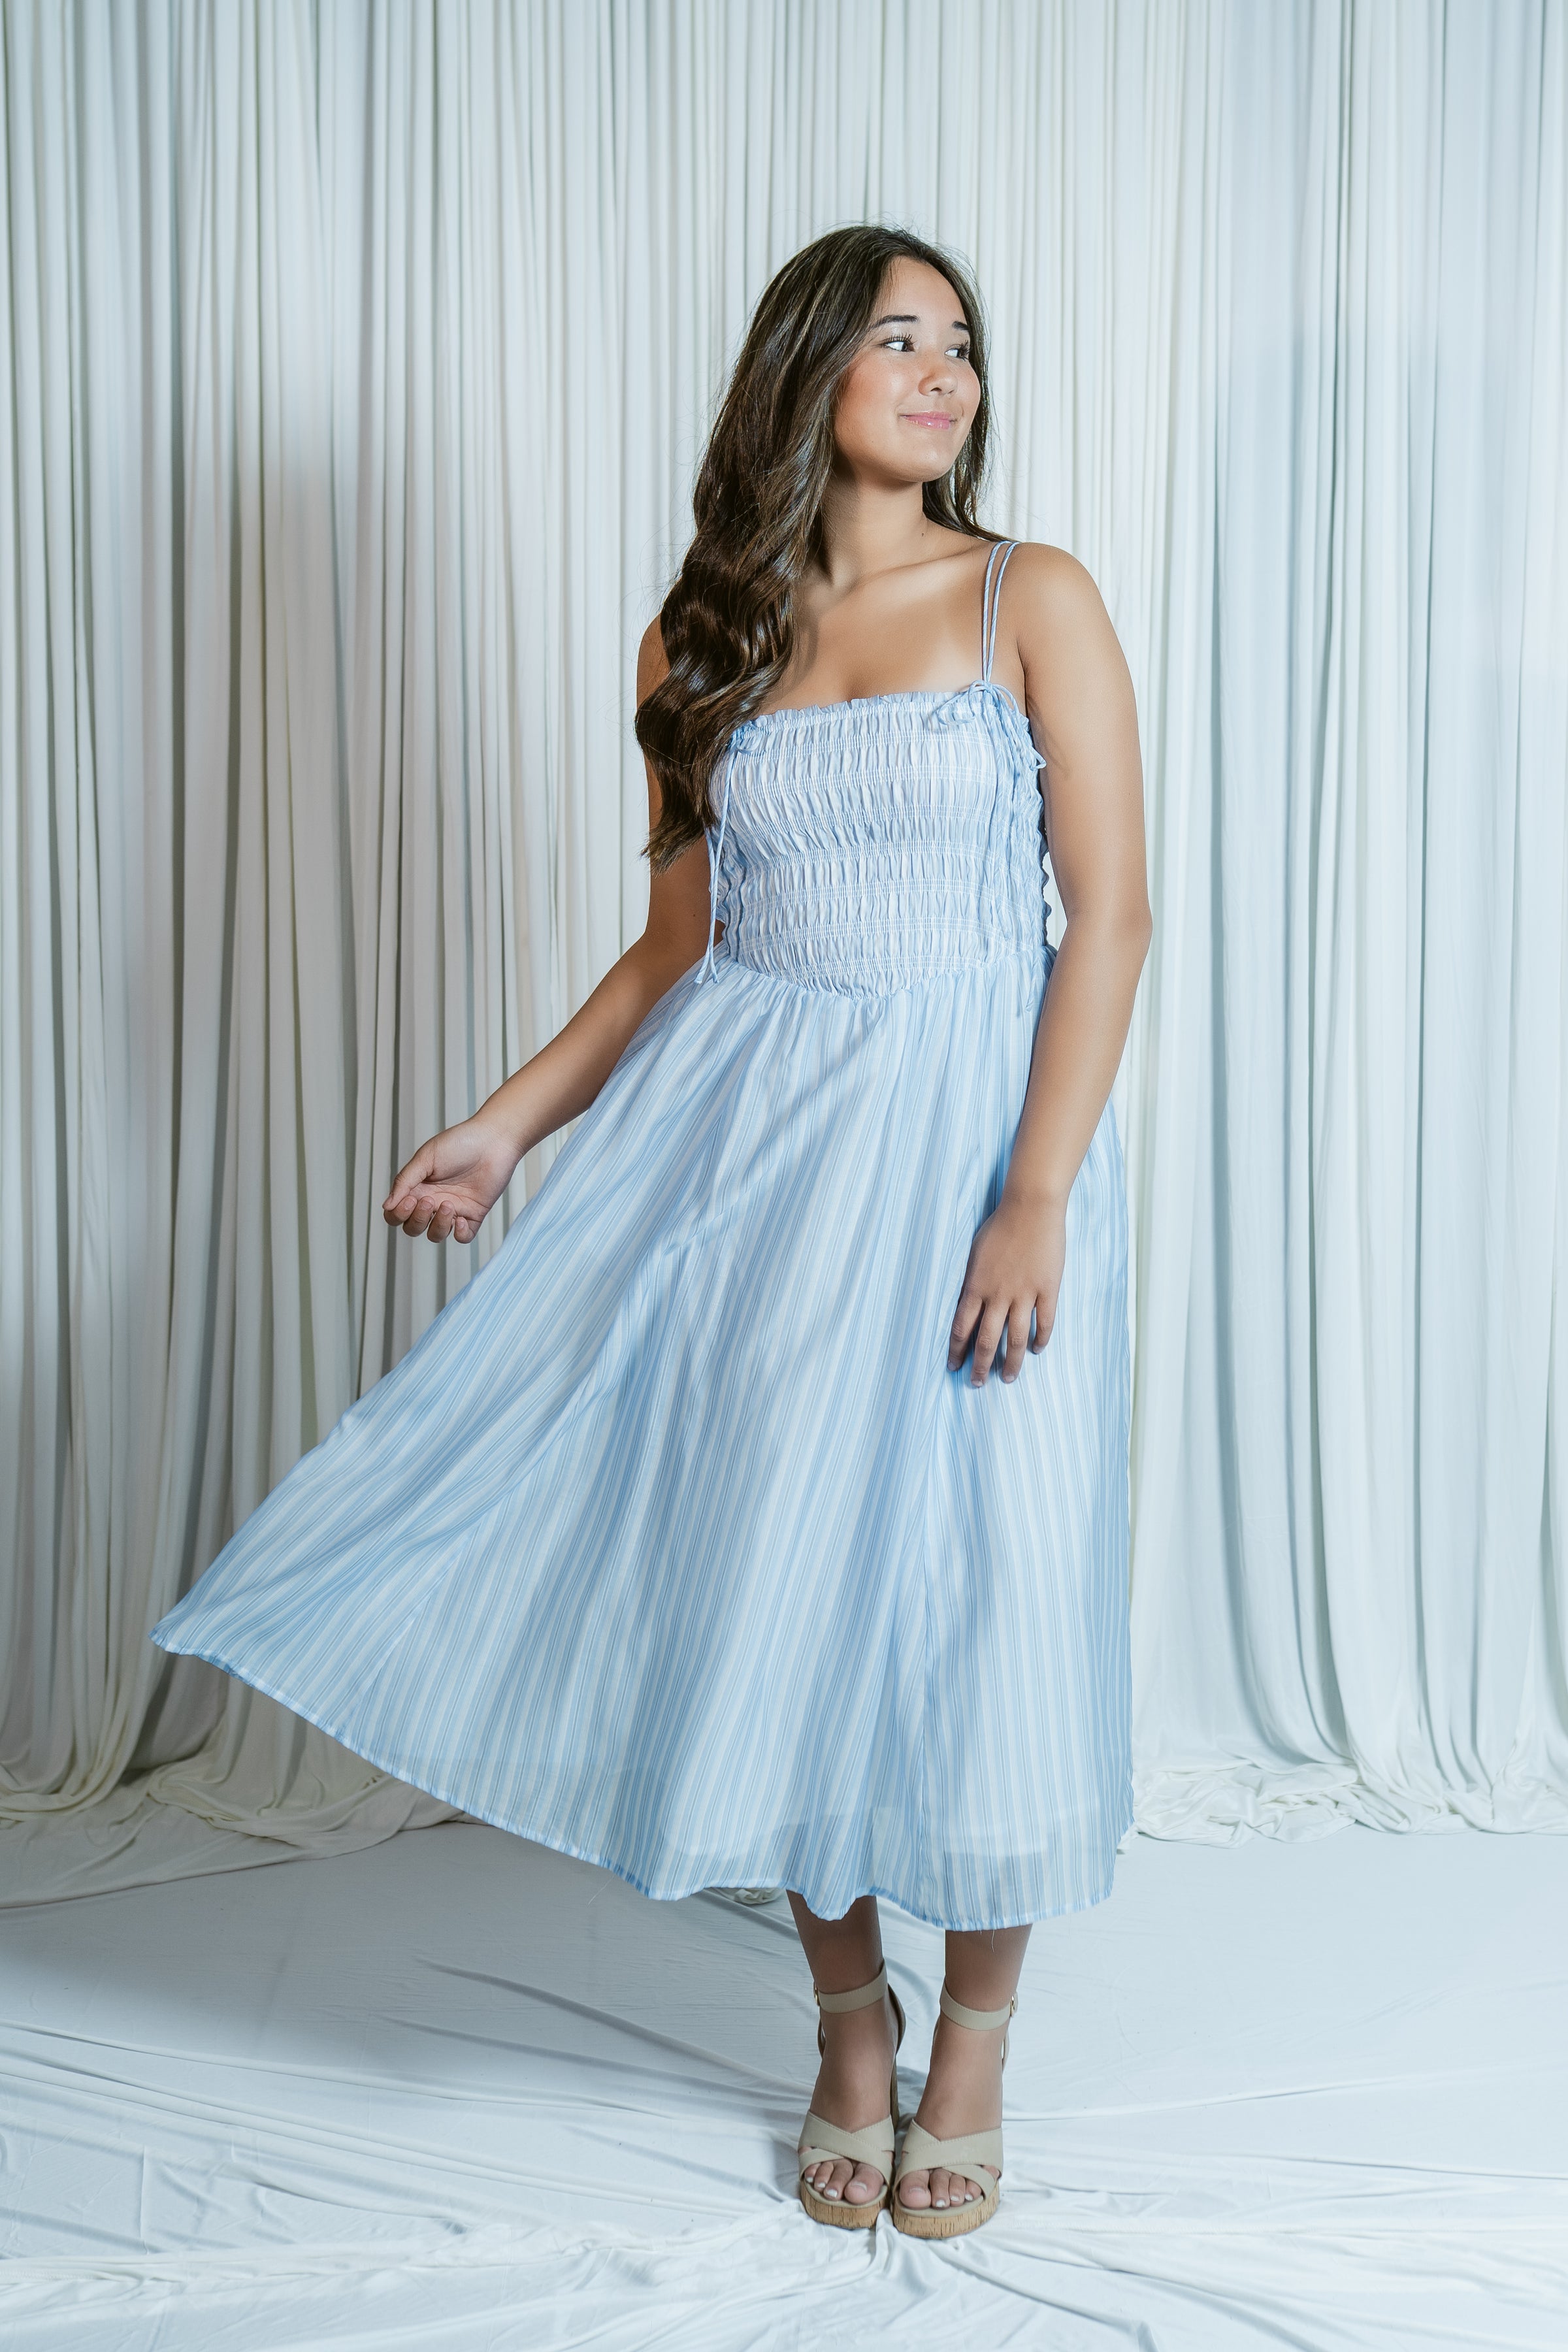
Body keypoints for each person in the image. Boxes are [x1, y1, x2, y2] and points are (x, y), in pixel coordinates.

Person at [150, 223, 1151, 2240]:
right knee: (778, 1580)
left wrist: (1036, 1191)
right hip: (760, 1162)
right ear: (807, 367)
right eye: (898, 337)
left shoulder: (1026, 595)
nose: (942, 374)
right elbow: (676, 950)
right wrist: (504, 1125)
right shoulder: (700, 646)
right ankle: (849, 2028)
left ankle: (975, 2046)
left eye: (961, 344)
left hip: (979, 1151)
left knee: (998, 1589)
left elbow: (1111, 916)